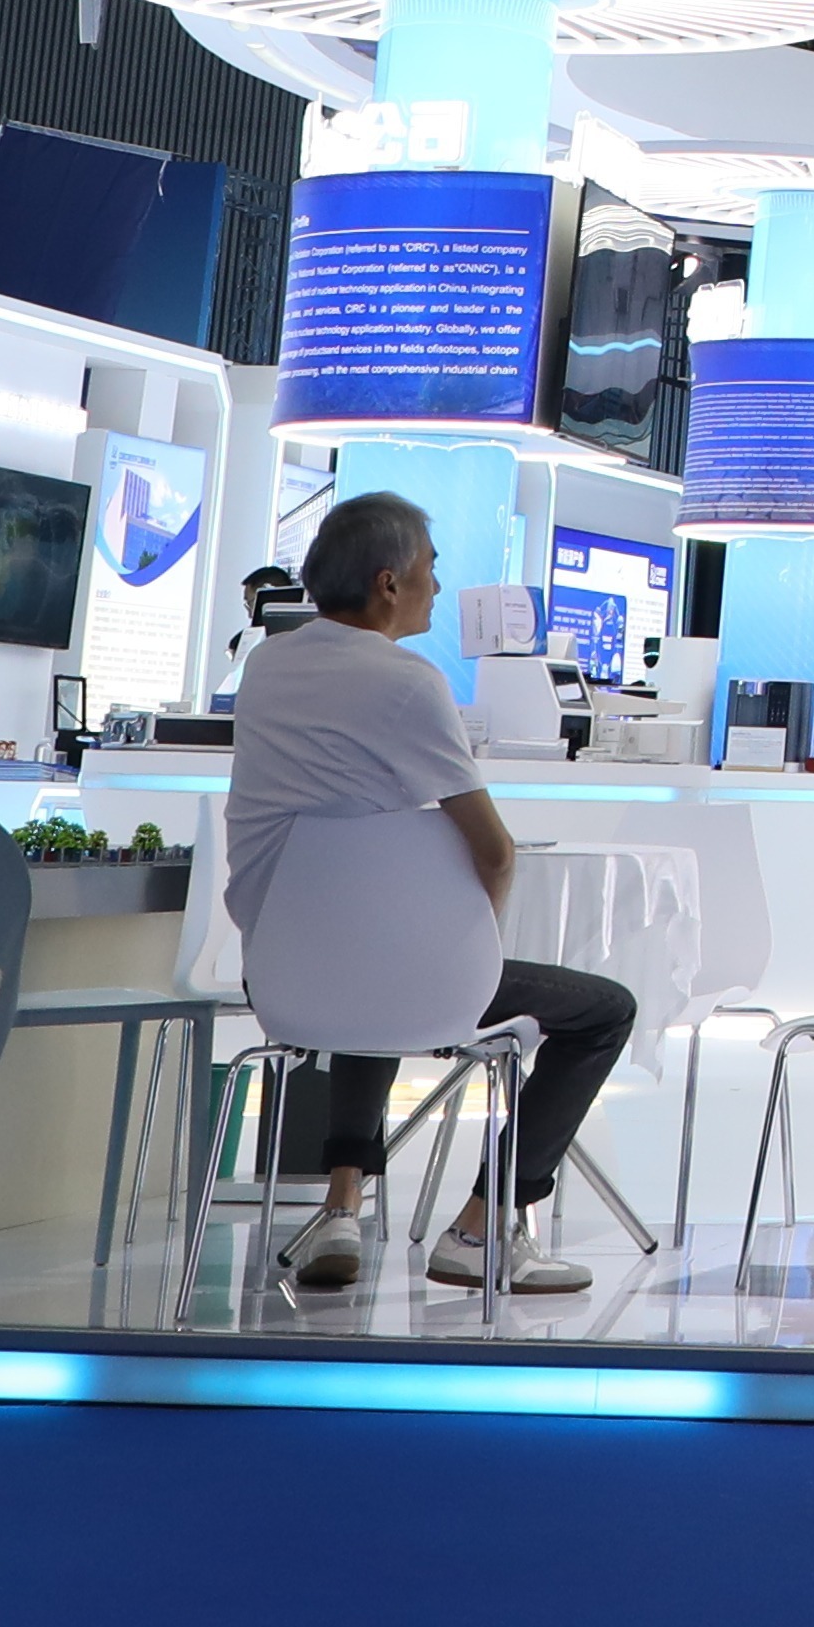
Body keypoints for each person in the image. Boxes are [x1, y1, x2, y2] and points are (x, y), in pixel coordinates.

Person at [224, 491, 637, 1299]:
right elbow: (494, 849)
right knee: (602, 1012)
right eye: (430, 571)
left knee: (369, 959)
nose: (438, 589)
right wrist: (463, 939)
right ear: (389, 583)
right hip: (394, 978)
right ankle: (480, 1229)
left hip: (279, 977)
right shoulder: (409, 682)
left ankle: (341, 1209)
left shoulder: (266, 667)